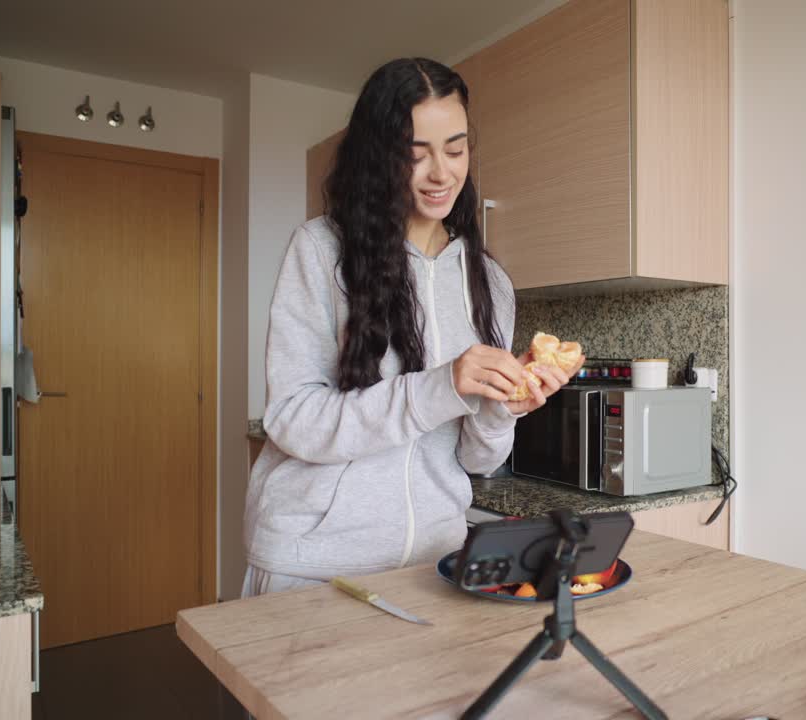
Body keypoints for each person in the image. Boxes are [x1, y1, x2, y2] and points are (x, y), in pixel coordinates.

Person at [242, 58, 583, 597]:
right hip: (314, 563)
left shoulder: (489, 282)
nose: (441, 173)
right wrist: (441, 384)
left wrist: (502, 408)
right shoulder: (321, 250)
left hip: (431, 564)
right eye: (414, 153)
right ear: (378, 157)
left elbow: (476, 459)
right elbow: (293, 419)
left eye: (455, 148)